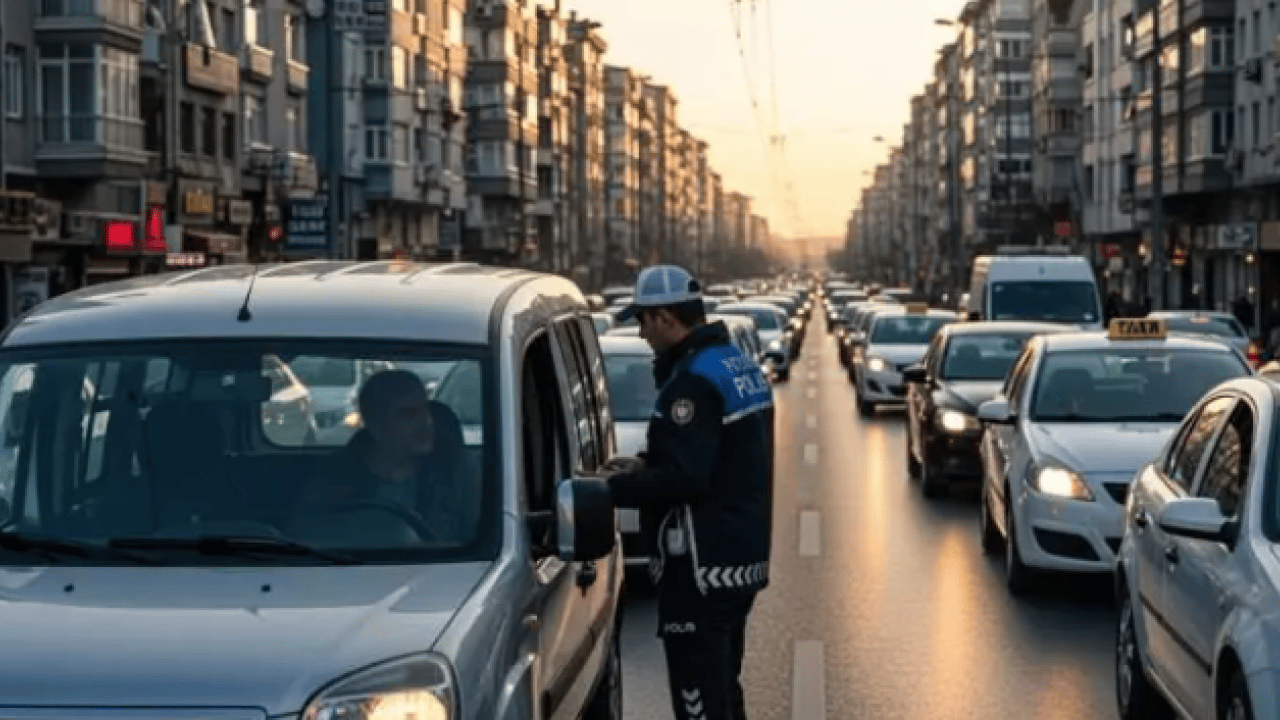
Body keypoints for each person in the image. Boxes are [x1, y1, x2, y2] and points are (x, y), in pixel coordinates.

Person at [606, 265, 775, 720]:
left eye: (643, 320)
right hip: (739, 558)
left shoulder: (693, 382)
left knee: (699, 699)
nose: (641, 333)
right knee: (723, 689)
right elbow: (719, 460)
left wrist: (611, 488)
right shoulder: (735, 364)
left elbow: (684, 477)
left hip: (701, 566)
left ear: (665, 317)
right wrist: (644, 465)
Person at [294, 368, 472, 543]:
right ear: (375, 423)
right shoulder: (333, 479)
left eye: (426, 410)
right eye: (408, 414)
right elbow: (306, 538)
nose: (425, 422)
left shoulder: (451, 474)